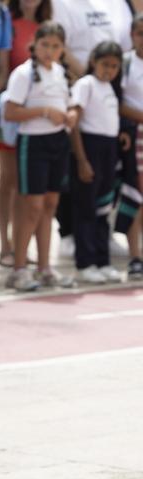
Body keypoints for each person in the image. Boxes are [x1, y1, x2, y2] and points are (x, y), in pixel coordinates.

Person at [3, 20, 73, 292]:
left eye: (56, 46)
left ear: (62, 49)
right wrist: (44, 112)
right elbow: (10, 112)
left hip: (58, 142)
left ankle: (45, 267)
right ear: (35, 45)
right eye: (45, 44)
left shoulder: (60, 73)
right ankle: (19, 269)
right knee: (31, 207)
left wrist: (69, 115)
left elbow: (66, 106)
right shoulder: (23, 74)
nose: (49, 50)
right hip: (33, 143)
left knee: (50, 205)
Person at [0, 0, 50, 269]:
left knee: (24, 187)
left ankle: (20, 245)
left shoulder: (46, 29)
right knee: (8, 180)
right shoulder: (8, 23)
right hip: (11, 115)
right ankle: (5, 245)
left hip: (39, 124)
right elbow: (3, 68)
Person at [70, 41, 126, 284]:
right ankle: (85, 262)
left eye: (114, 66)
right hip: (90, 149)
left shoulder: (111, 88)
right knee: (86, 208)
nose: (109, 70)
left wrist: (119, 136)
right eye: (105, 64)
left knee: (104, 208)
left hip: (108, 150)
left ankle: (103, 261)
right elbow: (75, 125)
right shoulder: (86, 85)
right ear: (94, 61)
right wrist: (82, 160)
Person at [120, 11, 143, 280]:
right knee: (135, 196)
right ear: (132, 35)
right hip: (134, 136)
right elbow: (118, 102)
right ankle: (134, 255)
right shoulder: (125, 64)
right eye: (140, 33)